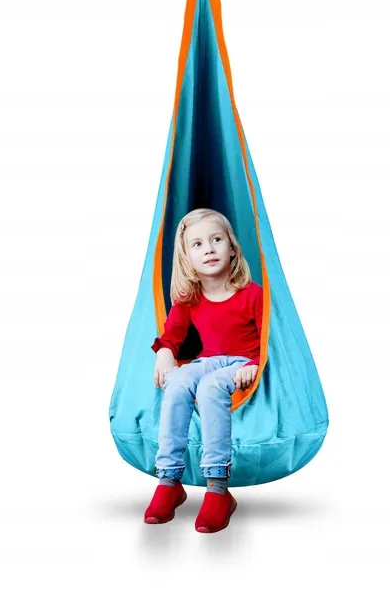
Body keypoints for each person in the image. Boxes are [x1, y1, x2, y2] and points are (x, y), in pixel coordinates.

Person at [143, 207, 263, 533]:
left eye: (216, 240)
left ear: (232, 248)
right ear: (187, 258)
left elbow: (269, 342)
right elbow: (172, 335)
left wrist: (254, 365)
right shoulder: (190, 297)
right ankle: (168, 480)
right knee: (178, 381)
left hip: (240, 362)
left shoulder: (253, 294)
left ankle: (218, 487)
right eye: (197, 244)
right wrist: (165, 352)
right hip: (208, 361)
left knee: (210, 386)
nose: (209, 249)